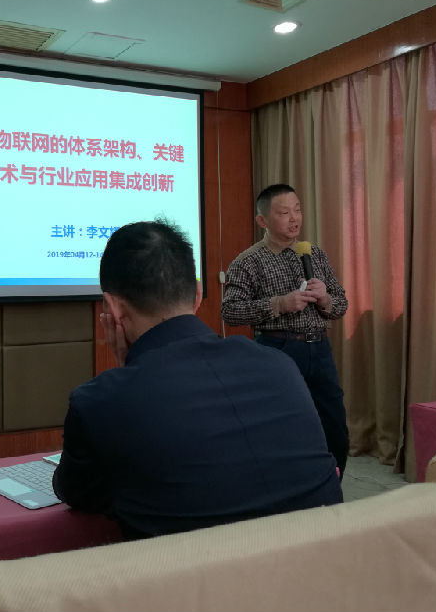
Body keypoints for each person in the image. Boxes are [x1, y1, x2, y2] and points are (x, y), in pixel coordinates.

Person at [52, 219, 342, 540]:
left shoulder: (101, 401)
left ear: (113, 308)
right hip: (323, 562)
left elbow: (79, 495)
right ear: (198, 294)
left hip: (197, 572)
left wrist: (125, 376)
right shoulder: (280, 366)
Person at [221, 184, 350, 477]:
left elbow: (341, 305)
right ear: (262, 220)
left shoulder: (315, 254)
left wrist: (325, 299)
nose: (294, 218)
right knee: (282, 426)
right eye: (284, 213)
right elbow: (230, 311)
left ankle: (331, 487)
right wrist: (279, 304)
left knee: (334, 426)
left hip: (319, 348)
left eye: (298, 210)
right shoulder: (248, 261)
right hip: (277, 349)